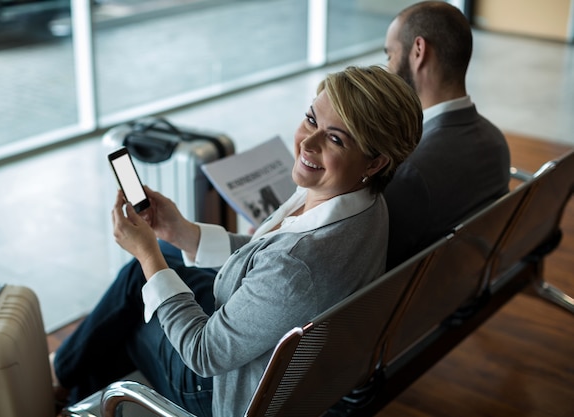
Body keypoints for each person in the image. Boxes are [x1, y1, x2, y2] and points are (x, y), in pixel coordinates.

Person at [51, 65, 423, 417]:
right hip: (273, 355)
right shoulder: (364, 203)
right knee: (160, 259)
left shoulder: (299, 264)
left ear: (374, 163)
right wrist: (179, 231)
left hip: (225, 390)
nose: (307, 143)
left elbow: (203, 353)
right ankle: (69, 381)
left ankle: (64, 386)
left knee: (133, 295)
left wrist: (147, 255)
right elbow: (266, 263)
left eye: (335, 139)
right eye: (311, 119)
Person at [382, 1, 511, 270]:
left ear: (419, 51)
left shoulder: (410, 172)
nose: (387, 68)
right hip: (465, 285)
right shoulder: (496, 141)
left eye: (389, 55)